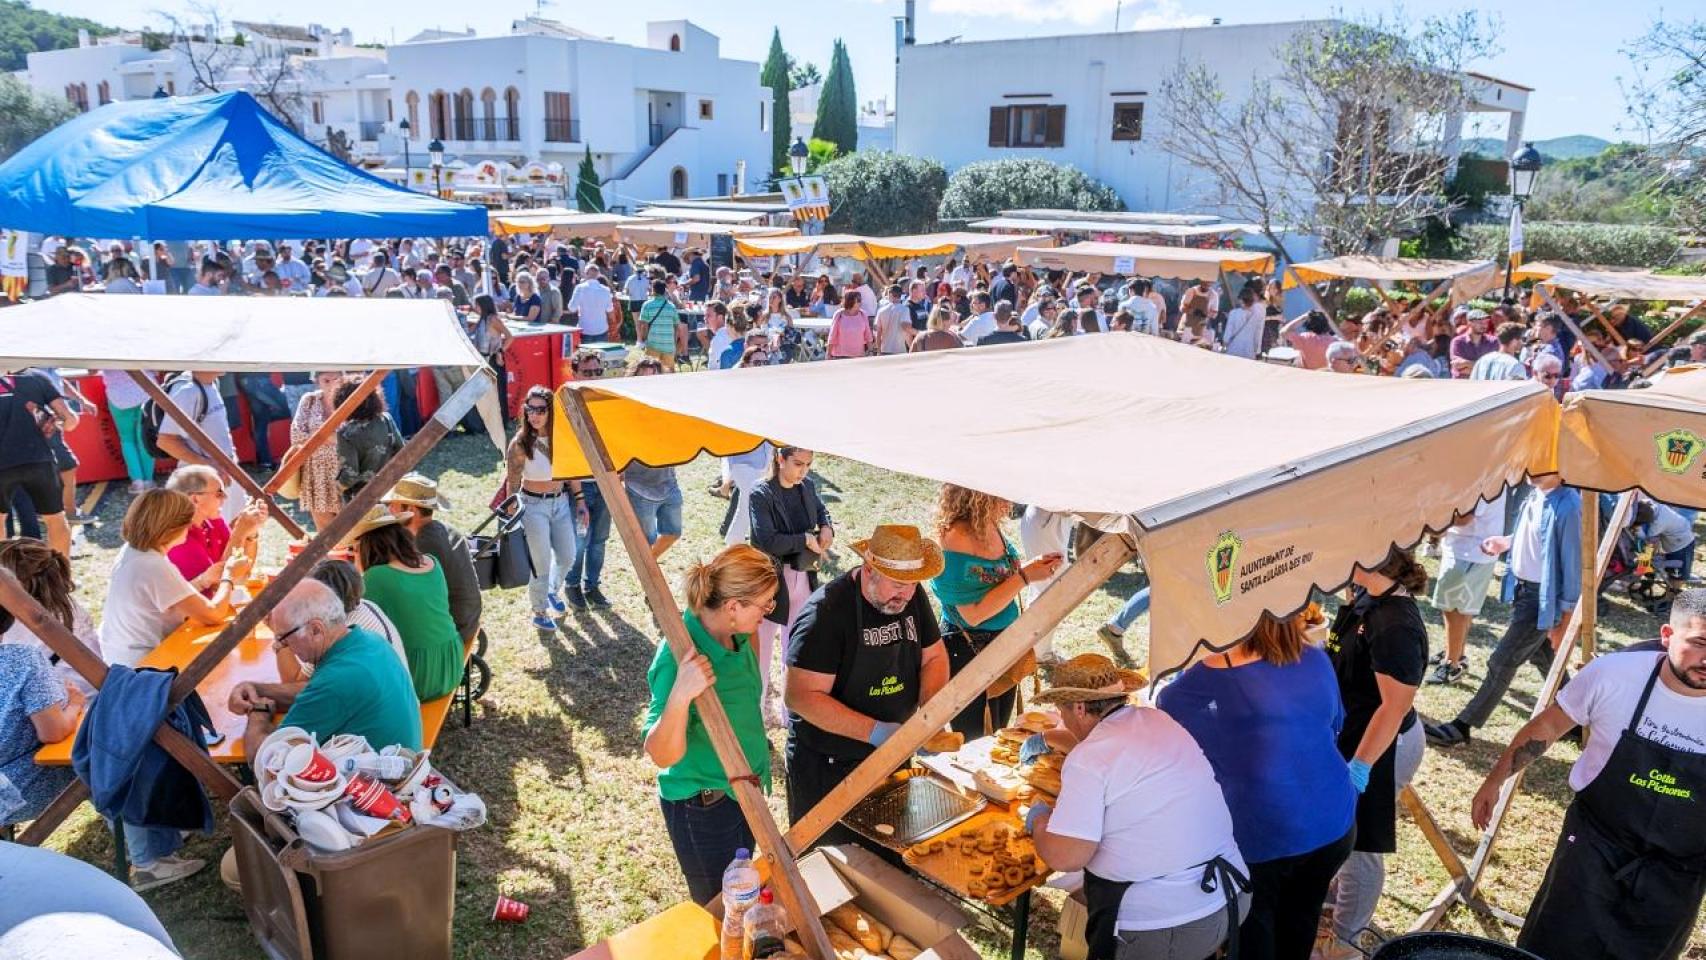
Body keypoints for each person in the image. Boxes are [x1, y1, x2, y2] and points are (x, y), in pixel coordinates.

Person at [1468, 590, 1706, 960]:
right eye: (1699, 643)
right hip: (1594, 847)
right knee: (1551, 947)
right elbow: (1546, 728)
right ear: (1666, 634)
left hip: (1677, 872)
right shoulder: (1613, 675)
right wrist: (1495, 780)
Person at [1157, 615, 1356, 960]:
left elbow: (1171, 733)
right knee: (1299, 922)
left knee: (1254, 936)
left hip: (1264, 837)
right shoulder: (1314, 656)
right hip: (1333, 822)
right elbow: (1335, 723)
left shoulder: (1196, 687)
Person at [1028, 654, 1250, 960]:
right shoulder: (1156, 720)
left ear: (1078, 708)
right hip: (1228, 895)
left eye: (1061, 710)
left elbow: (1067, 855)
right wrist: (1051, 738)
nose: (1061, 718)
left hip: (1168, 924)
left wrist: (1039, 821)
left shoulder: (1090, 758)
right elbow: (1115, 757)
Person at [99, 490, 242, 889]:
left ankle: (164, 839)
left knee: (154, 758)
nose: (193, 528)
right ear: (171, 526)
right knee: (148, 762)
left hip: (129, 668)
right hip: (143, 676)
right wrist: (233, 578)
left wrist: (208, 580)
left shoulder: (134, 555)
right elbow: (212, 613)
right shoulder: (151, 564)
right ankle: (149, 861)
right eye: (188, 523)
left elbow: (172, 601)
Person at [784, 525, 949, 847]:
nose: (905, 594)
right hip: (829, 766)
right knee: (831, 867)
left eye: (913, 585)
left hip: (893, 756)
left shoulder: (911, 599)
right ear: (869, 569)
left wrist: (929, 714)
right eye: (898, 584)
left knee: (889, 859)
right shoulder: (827, 614)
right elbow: (801, 696)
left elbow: (935, 657)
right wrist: (877, 732)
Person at [643, 545, 779, 903]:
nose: (768, 613)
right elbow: (660, 754)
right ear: (733, 607)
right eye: (764, 605)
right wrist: (681, 695)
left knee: (745, 897)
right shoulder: (677, 657)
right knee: (720, 910)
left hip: (742, 793)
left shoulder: (740, 634)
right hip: (705, 808)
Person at [1321, 549, 1428, 957]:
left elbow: (1393, 706)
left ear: (1372, 561)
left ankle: (1346, 937)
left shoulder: (1395, 625)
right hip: (1355, 733)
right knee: (1343, 838)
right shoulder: (1365, 597)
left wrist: (1360, 766)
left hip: (1383, 745)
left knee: (1359, 846)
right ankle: (1335, 900)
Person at [1426, 475, 1582, 748]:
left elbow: (1572, 565)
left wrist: (1566, 619)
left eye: (1541, 460)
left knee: (1502, 661)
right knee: (1543, 657)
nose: (1531, 468)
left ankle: (1463, 726)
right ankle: (1576, 721)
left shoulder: (1569, 505)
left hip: (1540, 599)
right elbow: (1538, 534)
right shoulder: (1536, 494)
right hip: (1525, 593)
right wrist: (1506, 542)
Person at [230, 579, 422, 759]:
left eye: (283, 638)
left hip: (378, 787)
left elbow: (267, 758)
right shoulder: (369, 640)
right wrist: (256, 689)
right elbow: (313, 692)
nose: (283, 645)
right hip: (400, 765)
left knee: (256, 772)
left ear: (315, 630)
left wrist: (258, 714)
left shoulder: (338, 680)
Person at [930, 484, 1062, 739]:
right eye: (1002, 489)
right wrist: (1025, 576)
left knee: (1000, 731)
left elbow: (992, 578)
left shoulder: (988, 523)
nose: (1010, 498)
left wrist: (1031, 567)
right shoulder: (955, 537)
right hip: (969, 649)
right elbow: (973, 614)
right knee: (975, 739)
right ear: (981, 493)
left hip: (1002, 644)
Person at [748, 446, 833, 725]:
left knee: (794, 650)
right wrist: (804, 540)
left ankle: (790, 715)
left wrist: (826, 526)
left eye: (808, 464)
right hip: (770, 584)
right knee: (760, 653)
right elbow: (767, 540)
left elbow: (821, 510)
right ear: (779, 458)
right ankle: (755, 715)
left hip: (803, 576)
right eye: (798, 463)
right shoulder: (760, 493)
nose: (804, 471)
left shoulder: (806, 486)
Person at [346, 507, 465, 701]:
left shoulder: (377, 577)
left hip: (416, 675)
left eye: (354, 548)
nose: (354, 554)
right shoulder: (431, 562)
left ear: (368, 545)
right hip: (450, 661)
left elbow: (355, 624)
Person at [0, 550, 81, 825]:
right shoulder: (22, 659)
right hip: (10, 789)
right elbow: (54, 731)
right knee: (97, 757)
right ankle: (147, 852)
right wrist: (75, 705)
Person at [503, 386, 588, 633]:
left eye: (541, 409)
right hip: (532, 505)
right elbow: (513, 480)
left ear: (551, 411)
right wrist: (512, 512)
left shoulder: (563, 436)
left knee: (568, 555)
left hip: (560, 502)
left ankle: (552, 589)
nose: (535, 415)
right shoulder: (520, 443)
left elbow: (571, 472)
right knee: (539, 561)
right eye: (531, 409)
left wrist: (580, 500)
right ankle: (539, 610)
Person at [381, 475, 482, 643]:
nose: (390, 509)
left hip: (453, 627)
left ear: (411, 510)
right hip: (467, 616)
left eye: (394, 505)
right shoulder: (444, 529)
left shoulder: (424, 544)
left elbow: (413, 596)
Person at [0, 366, 79, 557]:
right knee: (56, 520)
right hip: (39, 460)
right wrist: (55, 422)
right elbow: (70, 421)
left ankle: (3, 581)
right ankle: (62, 576)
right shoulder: (36, 377)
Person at [152, 370, 243, 522]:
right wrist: (211, 466)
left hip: (223, 473)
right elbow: (166, 441)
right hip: (203, 482)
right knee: (217, 536)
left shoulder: (212, 383)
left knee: (239, 527)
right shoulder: (187, 391)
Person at [162, 465, 265, 594]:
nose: (225, 498)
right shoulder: (178, 536)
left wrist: (251, 533)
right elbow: (216, 586)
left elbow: (241, 573)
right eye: (219, 493)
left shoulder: (212, 521)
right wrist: (240, 532)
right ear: (195, 499)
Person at [563, 352, 613, 611]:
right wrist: (579, 496)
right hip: (579, 487)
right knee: (581, 540)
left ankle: (592, 586)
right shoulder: (566, 405)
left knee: (599, 539)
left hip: (606, 485)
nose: (593, 376)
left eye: (597, 371)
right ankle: (572, 585)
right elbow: (567, 456)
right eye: (587, 371)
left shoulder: (605, 404)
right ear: (575, 372)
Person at [624, 365, 685, 558]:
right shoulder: (626, 410)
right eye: (644, 378)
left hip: (668, 482)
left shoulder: (668, 407)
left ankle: (649, 563)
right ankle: (648, 572)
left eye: (654, 377)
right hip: (639, 487)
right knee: (645, 540)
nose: (649, 382)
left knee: (674, 532)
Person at [288, 371, 349, 533]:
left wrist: (317, 437)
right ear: (317, 381)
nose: (331, 384)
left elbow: (357, 436)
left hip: (346, 471)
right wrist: (334, 437)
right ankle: (331, 558)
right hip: (317, 473)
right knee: (325, 532)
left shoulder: (351, 400)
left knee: (351, 528)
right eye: (326, 380)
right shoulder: (309, 400)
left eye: (336, 379)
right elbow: (296, 435)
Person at [333, 381, 402, 501]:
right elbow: (402, 451)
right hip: (390, 492)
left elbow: (350, 475)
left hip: (361, 500)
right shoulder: (386, 419)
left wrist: (336, 488)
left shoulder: (344, 433)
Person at [101, 368, 156, 495]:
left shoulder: (104, 348)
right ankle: (148, 480)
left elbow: (92, 370)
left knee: (127, 440)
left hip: (118, 397)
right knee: (145, 438)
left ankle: (137, 482)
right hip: (145, 392)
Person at [637, 279, 683, 373]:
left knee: (651, 373)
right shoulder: (671, 306)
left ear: (653, 290)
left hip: (653, 345)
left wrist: (643, 340)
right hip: (669, 346)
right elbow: (677, 327)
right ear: (664, 290)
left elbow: (644, 325)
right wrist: (673, 343)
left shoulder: (647, 305)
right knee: (669, 374)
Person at [1221, 286, 1266, 360]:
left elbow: (1228, 333)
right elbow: (1258, 335)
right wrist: (1256, 351)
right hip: (1249, 352)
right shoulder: (1257, 316)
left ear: (1241, 300)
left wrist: (1224, 344)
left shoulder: (1234, 313)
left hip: (1233, 349)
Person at [827, 290, 873, 360]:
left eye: (860, 300)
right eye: (858, 300)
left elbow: (868, 335)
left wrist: (870, 351)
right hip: (840, 356)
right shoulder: (839, 314)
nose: (860, 302)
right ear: (850, 301)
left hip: (859, 355)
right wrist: (828, 353)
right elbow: (832, 335)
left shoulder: (863, 314)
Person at [1449, 310, 1496, 376]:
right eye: (1480, 322)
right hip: (1462, 384)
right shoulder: (1458, 341)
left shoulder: (1493, 341)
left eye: (1486, 322)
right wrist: (1484, 368)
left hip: (1484, 384)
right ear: (1469, 323)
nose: (1484, 325)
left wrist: (1466, 363)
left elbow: (1494, 367)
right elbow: (1457, 365)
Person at [874, 284, 913, 356]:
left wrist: (878, 351)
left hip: (884, 350)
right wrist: (912, 348)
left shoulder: (881, 311)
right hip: (900, 350)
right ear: (900, 295)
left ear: (890, 294)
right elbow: (907, 331)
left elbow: (878, 333)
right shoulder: (905, 310)